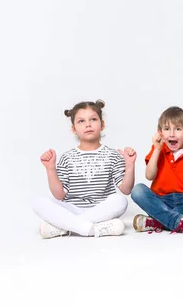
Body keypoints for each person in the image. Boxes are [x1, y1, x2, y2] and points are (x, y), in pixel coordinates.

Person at [33, 100, 135, 238]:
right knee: (39, 202)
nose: (88, 124)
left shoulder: (112, 155)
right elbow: (59, 195)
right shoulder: (67, 157)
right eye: (81, 121)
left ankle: (65, 228)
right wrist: (50, 169)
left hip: (101, 210)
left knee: (121, 201)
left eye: (93, 119)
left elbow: (126, 189)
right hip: (72, 209)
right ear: (74, 129)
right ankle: (92, 229)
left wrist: (130, 165)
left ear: (102, 124)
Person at [131, 106, 183, 235]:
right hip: (160, 201)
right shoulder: (158, 149)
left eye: (178, 129)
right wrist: (157, 149)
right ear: (160, 133)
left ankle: (158, 221)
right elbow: (149, 176)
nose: (171, 134)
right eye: (166, 129)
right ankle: (179, 223)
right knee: (138, 190)